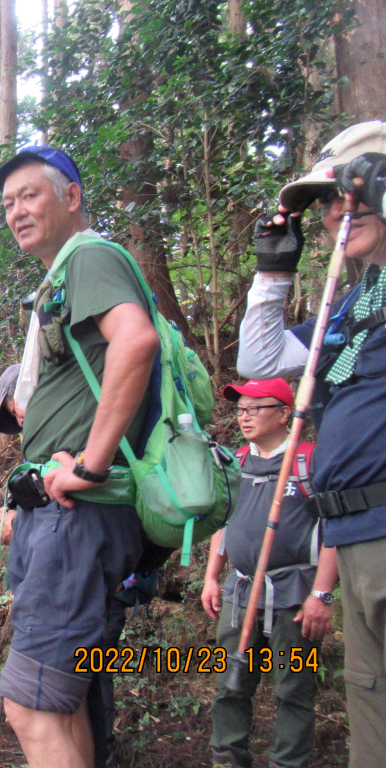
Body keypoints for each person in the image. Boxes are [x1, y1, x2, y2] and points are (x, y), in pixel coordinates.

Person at [0, 144, 159, 768]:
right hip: (60, 514)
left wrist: (88, 464)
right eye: (7, 203)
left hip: (77, 512)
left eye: (30, 194)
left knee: (32, 707)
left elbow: (134, 341)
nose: (16, 211)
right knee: (64, 701)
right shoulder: (64, 273)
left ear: (71, 196)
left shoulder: (88, 255)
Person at [236, 121, 386, 768]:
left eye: (346, 192)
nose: (331, 212)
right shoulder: (353, 304)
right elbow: (259, 356)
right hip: (352, 534)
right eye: (323, 202)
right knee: (370, 698)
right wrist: (272, 272)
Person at [202, 378, 337, 768]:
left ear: (284, 413)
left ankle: (287, 762)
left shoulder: (312, 461)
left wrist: (322, 593)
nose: (244, 416)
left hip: (295, 595)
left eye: (255, 408)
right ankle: (227, 758)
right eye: (240, 409)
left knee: (294, 687)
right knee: (230, 685)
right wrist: (213, 577)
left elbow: (334, 530)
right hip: (239, 592)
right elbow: (222, 524)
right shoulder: (236, 462)